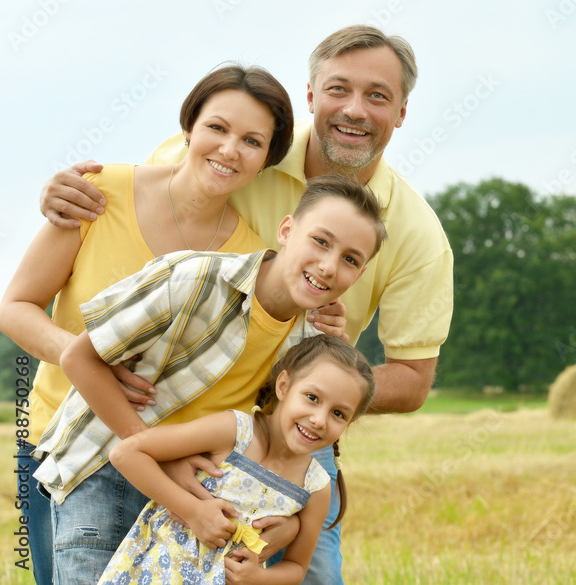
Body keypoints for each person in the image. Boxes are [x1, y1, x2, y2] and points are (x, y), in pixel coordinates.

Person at [39, 24, 454, 584]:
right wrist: (73, 195)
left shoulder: (417, 233)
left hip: (281, 428)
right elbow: (143, 206)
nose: (355, 109)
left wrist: (324, 386)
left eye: (378, 95)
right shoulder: (243, 152)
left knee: (303, 573)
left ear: (402, 111)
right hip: (145, 413)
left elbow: (413, 377)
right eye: (339, 89)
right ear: (310, 95)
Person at [0, 62, 298, 585]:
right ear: (188, 127)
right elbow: (16, 307)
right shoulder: (100, 192)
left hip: (167, 468)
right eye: (217, 128)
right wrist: (90, 359)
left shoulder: (252, 258)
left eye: (252, 141)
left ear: (267, 159)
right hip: (62, 442)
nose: (229, 149)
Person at [33, 174, 387, 584]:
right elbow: (78, 358)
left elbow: (270, 448)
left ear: (359, 275)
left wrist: (291, 525)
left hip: (196, 505)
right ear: (287, 230)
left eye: (350, 259)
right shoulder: (197, 277)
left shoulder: (310, 347)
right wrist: (165, 463)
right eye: (320, 242)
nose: (328, 266)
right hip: (105, 468)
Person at [98, 335, 376, 584]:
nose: (319, 420)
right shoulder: (235, 432)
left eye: (339, 414)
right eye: (312, 397)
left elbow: (296, 567)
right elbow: (127, 453)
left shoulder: (315, 486)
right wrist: (192, 511)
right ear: (283, 386)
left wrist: (259, 577)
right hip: (152, 573)